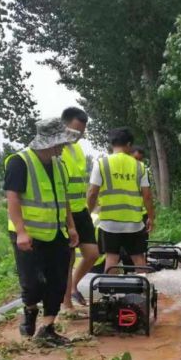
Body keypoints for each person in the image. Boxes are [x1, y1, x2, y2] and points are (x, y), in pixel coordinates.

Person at [4, 118, 80, 345]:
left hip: (56, 233)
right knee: (33, 283)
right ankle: (30, 311)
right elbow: (13, 198)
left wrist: (71, 226)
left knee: (57, 281)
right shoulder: (20, 162)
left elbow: (62, 197)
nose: (65, 146)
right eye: (62, 143)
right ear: (50, 143)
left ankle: (47, 329)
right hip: (30, 235)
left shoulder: (58, 164)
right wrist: (21, 232)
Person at [87, 127, 155, 272]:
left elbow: (92, 193)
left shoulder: (101, 164)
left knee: (112, 259)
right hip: (134, 222)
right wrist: (150, 217)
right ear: (129, 144)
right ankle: (142, 290)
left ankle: (109, 293)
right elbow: (147, 195)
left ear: (112, 143)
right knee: (138, 258)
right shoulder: (140, 166)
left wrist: (88, 213)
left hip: (109, 222)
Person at [60, 107, 98, 308]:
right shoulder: (57, 150)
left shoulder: (77, 150)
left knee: (92, 253)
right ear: (63, 125)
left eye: (82, 132)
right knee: (68, 258)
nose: (78, 136)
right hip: (66, 212)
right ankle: (67, 304)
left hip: (80, 209)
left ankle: (73, 287)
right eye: (75, 131)